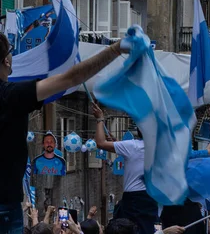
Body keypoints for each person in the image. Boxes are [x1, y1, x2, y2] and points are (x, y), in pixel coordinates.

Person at [0, 33, 126, 234]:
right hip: (4, 207)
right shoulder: (10, 95)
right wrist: (115, 49)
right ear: (6, 60)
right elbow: (72, 78)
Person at [93, 103, 157, 234]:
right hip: (151, 197)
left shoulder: (133, 146)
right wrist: (118, 143)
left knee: (121, 230)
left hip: (134, 198)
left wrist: (100, 119)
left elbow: (100, 143)